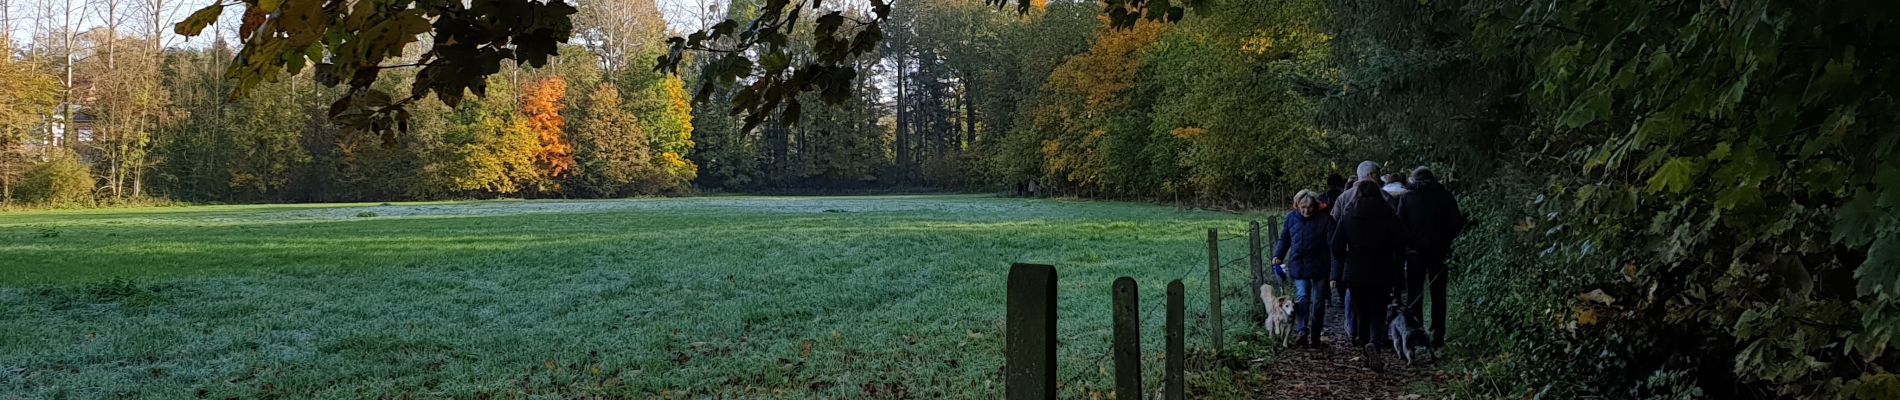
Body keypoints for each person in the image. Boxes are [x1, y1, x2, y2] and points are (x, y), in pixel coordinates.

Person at [1331, 179, 1405, 367]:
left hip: (1356, 271)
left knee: (1361, 313)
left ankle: (1365, 349)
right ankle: (1375, 344)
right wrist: (1397, 267)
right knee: (1379, 312)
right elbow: (1400, 243)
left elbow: (1336, 246)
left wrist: (1346, 259)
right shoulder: (1388, 215)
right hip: (1382, 270)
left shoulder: (1348, 215)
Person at [1397, 166, 1465, 349]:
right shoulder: (1445, 196)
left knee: (1414, 294)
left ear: (1414, 179)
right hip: (1439, 252)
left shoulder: (1407, 197)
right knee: (1438, 294)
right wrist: (1446, 241)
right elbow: (1457, 223)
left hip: (1415, 253)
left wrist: (1410, 244)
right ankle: (1438, 334)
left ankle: (1415, 333)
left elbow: (1400, 225)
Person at [1273, 190, 1334, 347]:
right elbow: (1285, 238)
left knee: (1319, 301)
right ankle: (1302, 330)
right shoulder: (1291, 218)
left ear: (1315, 205)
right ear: (1297, 206)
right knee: (1302, 297)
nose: (1306, 211)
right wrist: (1278, 255)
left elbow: (1333, 245)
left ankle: (1315, 334)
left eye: (1309, 207)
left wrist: (1334, 271)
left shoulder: (1326, 220)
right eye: (1303, 207)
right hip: (1299, 264)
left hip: (1320, 265)